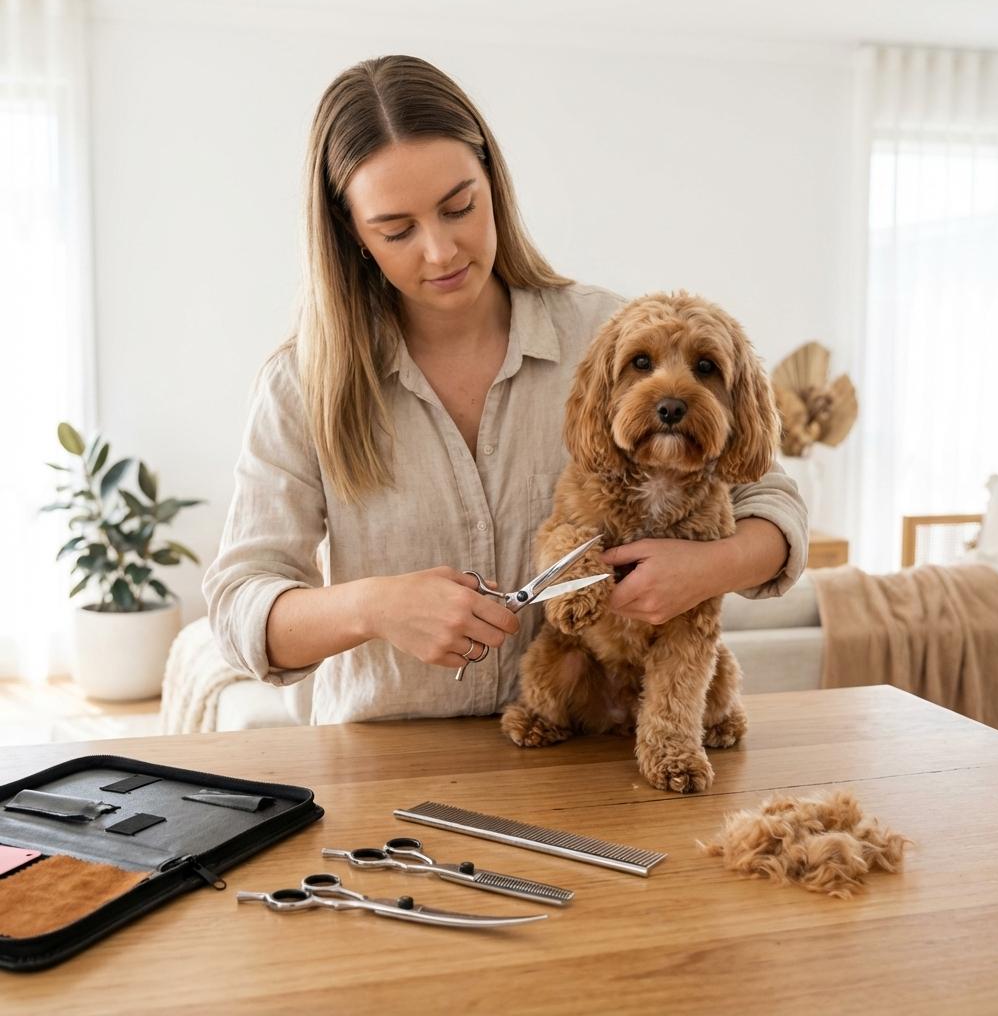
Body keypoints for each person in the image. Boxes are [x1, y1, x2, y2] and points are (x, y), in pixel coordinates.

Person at [202, 55, 808, 726]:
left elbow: (773, 503)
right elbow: (238, 609)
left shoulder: (612, 337)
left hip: (583, 753)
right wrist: (372, 607)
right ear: (352, 232)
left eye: (459, 207)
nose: (441, 251)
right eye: (397, 230)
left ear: (493, 181)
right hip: (384, 759)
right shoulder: (301, 383)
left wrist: (710, 568)